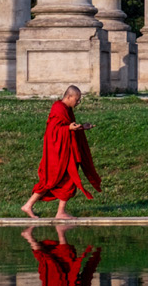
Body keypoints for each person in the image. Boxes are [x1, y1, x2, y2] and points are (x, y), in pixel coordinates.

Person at [21, 85, 101, 219]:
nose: (78, 102)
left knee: (69, 178)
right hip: (56, 152)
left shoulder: (67, 109)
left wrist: (82, 127)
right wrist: (68, 128)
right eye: (77, 99)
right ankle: (28, 205)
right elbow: (53, 131)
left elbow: (67, 127)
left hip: (66, 150)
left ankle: (60, 212)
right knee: (50, 180)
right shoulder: (58, 108)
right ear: (68, 97)